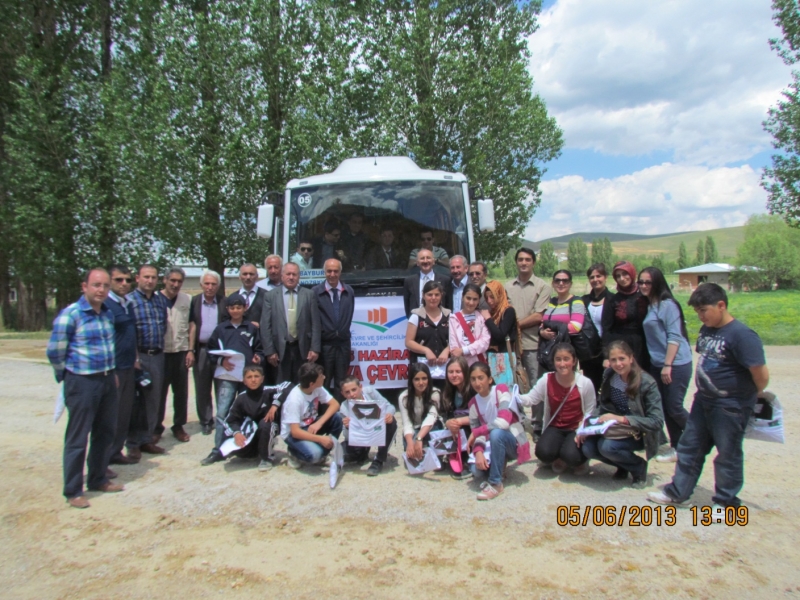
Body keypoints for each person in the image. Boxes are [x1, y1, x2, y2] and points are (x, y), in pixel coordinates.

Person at [648, 283, 769, 512]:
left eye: (704, 310)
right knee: (690, 447)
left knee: (728, 454)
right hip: (703, 401)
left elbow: (760, 376)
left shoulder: (742, 335)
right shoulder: (707, 330)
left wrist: (745, 398)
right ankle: (679, 493)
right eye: (697, 312)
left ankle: (726, 503)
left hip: (730, 406)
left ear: (721, 305)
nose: (700, 316)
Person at [47, 268, 123, 508]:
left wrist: (112, 374)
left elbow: (109, 347)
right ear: (85, 287)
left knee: (105, 432)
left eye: (105, 286)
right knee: (78, 438)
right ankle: (73, 490)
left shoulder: (107, 314)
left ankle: (98, 478)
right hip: (82, 382)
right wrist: (67, 376)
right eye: (96, 285)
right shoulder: (71, 315)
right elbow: (55, 351)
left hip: (106, 379)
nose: (101, 290)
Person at [578, 341, 664, 487]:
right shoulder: (609, 375)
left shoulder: (647, 383)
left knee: (607, 447)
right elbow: (603, 405)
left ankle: (638, 467)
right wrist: (586, 424)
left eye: (622, 358)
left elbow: (657, 421)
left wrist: (622, 419)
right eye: (613, 360)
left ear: (631, 358)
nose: (618, 364)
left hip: (638, 432)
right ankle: (623, 466)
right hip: (612, 428)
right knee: (588, 448)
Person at [201, 294, 264, 465]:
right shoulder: (221, 329)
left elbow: (259, 348)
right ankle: (218, 449)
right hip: (227, 376)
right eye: (232, 308)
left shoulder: (251, 328)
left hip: (247, 377)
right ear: (227, 309)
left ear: (245, 308)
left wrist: (258, 357)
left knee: (249, 411)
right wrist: (221, 360)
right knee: (223, 411)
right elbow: (210, 350)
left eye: (239, 307)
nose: (236, 311)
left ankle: (248, 447)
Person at [639, 266, 693, 462]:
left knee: (675, 407)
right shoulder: (650, 304)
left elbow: (674, 336)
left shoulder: (667, 305)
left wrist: (668, 365)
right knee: (665, 407)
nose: (643, 285)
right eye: (641, 282)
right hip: (657, 363)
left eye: (648, 282)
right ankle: (678, 447)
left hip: (675, 364)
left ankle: (699, 434)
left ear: (657, 283)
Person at [520, 343, 595, 475]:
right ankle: (560, 456)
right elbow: (532, 398)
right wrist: (513, 397)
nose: (562, 364)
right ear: (553, 361)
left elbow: (590, 411)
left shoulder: (585, 383)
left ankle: (578, 459)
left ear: (574, 361)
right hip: (556, 426)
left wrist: (583, 428)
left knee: (572, 457)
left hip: (576, 427)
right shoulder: (547, 379)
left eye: (566, 359)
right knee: (542, 452)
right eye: (558, 359)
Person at [505, 248, 552, 438]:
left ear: (533, 262)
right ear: (516, 262)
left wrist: (514, 325)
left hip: (533, 344)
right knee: (513, 384)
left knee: (535, 385)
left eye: (528, 260)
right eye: (521, 259)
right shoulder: (507, 286)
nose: (524, 263)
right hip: (511, 345)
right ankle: (519, 420)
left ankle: (537, 425)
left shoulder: (543, 286)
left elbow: (538, 316)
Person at [466, 362, 529, 501]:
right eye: (473, 379)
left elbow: (504, 421)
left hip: (512, 441)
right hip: (491, 445)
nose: (477, 382)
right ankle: (500, 466)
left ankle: (496, 483)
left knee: (496, 433)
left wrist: (478, 432)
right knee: (476, 471)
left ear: (489, 379)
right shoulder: (473, 404)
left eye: (481, 378)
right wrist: (478, 452)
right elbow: (478, 434)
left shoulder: (501, 390)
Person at [127, 264, 168, 459]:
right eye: (146, 277)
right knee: (136, 402)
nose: (150, 280)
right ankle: (132, 443)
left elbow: (163, 327)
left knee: (153, 400)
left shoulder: (160, 301)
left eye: (153, 277)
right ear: (137, 278)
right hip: (138, 356)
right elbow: (129, 332)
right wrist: (134, 357)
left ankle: (146, 439)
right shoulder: (130, 301)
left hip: (157, 355)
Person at [218, 366, 289, 472]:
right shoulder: (241, 398)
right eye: (249, 377)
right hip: (250, 432)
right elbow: (230, 420)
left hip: (268, 427)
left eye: (256, 376)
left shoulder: (269, 391)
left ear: (262, 378)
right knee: (242, 453)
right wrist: (237, 433)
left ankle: (266, 457)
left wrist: (275, 404)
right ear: (244, 381)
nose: (253, 380)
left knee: (265, 424)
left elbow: (288, 385)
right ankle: (257, 449)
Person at [261, 262, 321, 384]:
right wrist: (269, 350)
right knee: (282, 386)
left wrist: (315, 348)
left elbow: (316, 323)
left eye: (294, 274)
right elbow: (265, 325)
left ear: (299, 277)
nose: (291, 277)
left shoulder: (309, 295)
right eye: (288, 274)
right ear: (282, 276)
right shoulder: (270, 296)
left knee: (303, 383)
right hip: (280, 350)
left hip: (302, 348)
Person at [104, 266, 139, 466]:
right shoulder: (106, 306)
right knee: (109, 415)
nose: (124, 284)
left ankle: (116, 452)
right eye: (118, 280)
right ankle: (103, 459)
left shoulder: (128, 304)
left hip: (128, 367)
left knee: (124, 413)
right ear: (110, 282)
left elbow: (130, 335)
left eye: (126, 280)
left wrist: (136, 359)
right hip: (113, 369)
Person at [280, 362, 343, 469]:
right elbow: (295, 432)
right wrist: (320, 439)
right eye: (321, 376)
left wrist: (319, 423)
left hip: (310, 425)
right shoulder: (294, 400)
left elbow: (335, 404)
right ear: (311, 384)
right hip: (294, 433)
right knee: (314, 455)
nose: (324, 377)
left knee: (337, 418)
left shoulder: (317, 387)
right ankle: (294, 452)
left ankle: (322, 452)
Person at [189, 270, 228, 435]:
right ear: (201, 285)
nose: (210, 287)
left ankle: (222, 418)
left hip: (220, 351)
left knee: (222, 387)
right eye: (207, 284)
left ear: (218, 286)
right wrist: (190, 350)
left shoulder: (223, 302)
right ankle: (206, 420)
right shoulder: (195, 302)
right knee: (202, 387)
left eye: (213, 284)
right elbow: (191, 326)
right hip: (202, 349)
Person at [157, 267, 192, 444]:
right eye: (173, 280)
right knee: (159, 392)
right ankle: (156, 427)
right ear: (165, 280)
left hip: (180, 352)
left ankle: (178, 425)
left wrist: (190, 350)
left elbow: (192, 324)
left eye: (179, 281)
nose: (175, 284)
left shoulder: (187, 299)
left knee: (181, 393)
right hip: (161, 353)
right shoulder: (155, 299)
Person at [313, 259, 355, 399]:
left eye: (335, 271)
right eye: (329, 271)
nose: (332, 274)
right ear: (324, 272)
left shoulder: (349, 291)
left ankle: (341, 413)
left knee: (342, 382)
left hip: (343, 344)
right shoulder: (315, 292)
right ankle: (324, 413)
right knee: (323, 381)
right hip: (325, 345)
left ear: (340, 272)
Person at [339, 376, 397, 476]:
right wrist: (349, 427)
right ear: (343, 394)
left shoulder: (370, 392)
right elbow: (347, 436)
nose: (352, 394)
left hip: (376, 429)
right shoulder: (344, 407)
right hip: (361, 436)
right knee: (342, 453)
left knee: (391, 422)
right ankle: (363, 453)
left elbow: (390, 406)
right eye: (347, 392)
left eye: (354, 390)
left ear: (360, 387)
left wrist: (389, 414)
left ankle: (379, 459)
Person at [602, 261, 650, 371]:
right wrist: (606, 356)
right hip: (621, 346)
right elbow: (606, 329)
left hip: (643, 346)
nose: (622, 278)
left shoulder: (644, 296)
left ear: (632, 274)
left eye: (625, 274)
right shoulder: (612, 300)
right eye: (618, 276)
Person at [539, 270, 587, 371]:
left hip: (566, 352)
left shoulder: (576, 301)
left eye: (565, 281)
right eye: (557, 280)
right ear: (553, 283)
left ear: (570, 284)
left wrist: (554, 331)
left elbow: (575, 327)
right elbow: (542, 323)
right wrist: (542, 332)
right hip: (549, 350)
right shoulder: (550, 302)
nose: (561, 283)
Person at [405, 280, 451, 374]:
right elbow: (408, 342)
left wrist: (447, 350)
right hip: (421, 367)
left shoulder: (449, 315)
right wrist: (426, 350)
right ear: (423, 295)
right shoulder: (416, 316)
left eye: (437, 294)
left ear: (441, 295)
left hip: (445, 367)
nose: (433, 298)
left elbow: (457, 340)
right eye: (429, 295)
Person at [399, 363, 443, 462]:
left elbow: (431, 417)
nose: (421, 383)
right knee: (413, 459)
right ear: (411, 381)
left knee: (434, 459)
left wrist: (419, 438)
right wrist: (410, 443)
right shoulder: (404, 397)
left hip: (431, 427)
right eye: (417, 379)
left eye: (424, 378)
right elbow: (407, 423)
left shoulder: (435, 393)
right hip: (414, 429)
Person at [581, 263, 614, 393]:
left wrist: (608, 355)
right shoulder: (584, 301)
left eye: (598, 276)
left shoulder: (613, 300)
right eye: (592, 277)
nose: (595, 280)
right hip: (589, 353)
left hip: (608, 351)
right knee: (591, 388)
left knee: (609, 388)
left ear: (605, 277)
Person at [441, 356, 473, 479]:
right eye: (451, 372)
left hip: (472, 427)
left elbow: (482, 415)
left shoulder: (473, 389)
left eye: (458, 372)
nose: (454, 375)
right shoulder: (447, 392)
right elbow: (445, 414)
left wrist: (459, 421)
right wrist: (448, 422)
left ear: (465, 372)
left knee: (462, 429)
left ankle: (465, 461)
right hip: (455, 426)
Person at [448, 283, 490, 367]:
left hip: (479, 363)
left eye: (475, 299)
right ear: (462, 296)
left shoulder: (482, 317)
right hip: (461, 365)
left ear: (479, 300)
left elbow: (485, 342)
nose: (471, 302)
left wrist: (464, 350)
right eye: (468, 298)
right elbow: (454, 346)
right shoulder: (454, 318)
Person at [402, 248, 452, 317]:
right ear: (417, 263)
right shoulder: (409, 281)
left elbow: (448, 304)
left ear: (433, 261)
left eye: (428, 258)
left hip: (438, 320)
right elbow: (407, 306)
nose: (425, 261)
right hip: (416, 320)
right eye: (422, 258)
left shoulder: (445, 280)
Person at [232, 263, 267, 328]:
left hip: (259, 336)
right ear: (239, 276)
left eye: (251, 274)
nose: (248, 277)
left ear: (257, 276)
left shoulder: (266, 296)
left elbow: (272, 320)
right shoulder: (232, 298)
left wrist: (260, 325)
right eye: (245, 274)